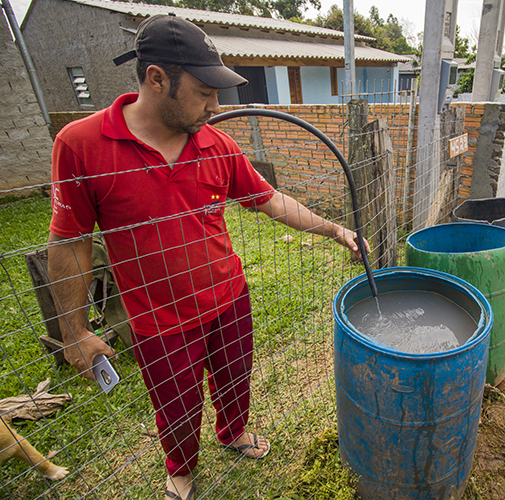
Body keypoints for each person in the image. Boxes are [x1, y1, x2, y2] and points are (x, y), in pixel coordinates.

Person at [46, 14, 369, 500]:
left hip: (229, 297)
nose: (216, 106)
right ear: (157, 78)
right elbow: (69, 241)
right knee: (175, 406)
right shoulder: (81, 145)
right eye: (203, 92)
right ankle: (180, 468)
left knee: (235, 378)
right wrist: (74, 331)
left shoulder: (217, 143)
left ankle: (232, 431)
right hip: (159, 320)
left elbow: (269, 200)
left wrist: (334, 228)